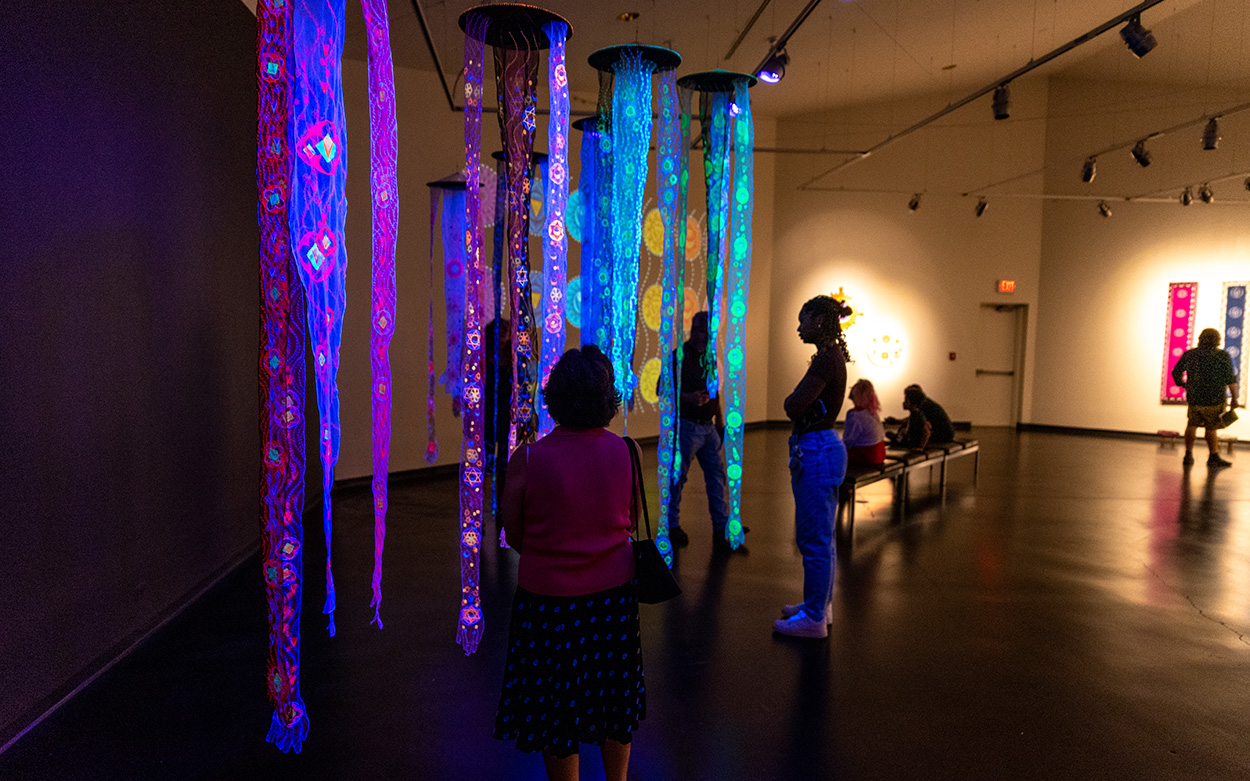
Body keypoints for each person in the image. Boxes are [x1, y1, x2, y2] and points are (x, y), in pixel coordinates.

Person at [494, 345, 645, 781]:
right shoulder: (628, 451)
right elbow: (631, 519)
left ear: (556, 396)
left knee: (557, 707)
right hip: (613, 600)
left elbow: (515, 532)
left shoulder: (528, 458)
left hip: (548, 604)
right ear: (607, 399)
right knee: (613, 698)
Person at [775, 295, 850, 639]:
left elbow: (794, 405)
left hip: (817, 450)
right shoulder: (829, 357)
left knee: (814, 539)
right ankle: (818, 605)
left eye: (803, 320)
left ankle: (815, 617)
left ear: (818, 321)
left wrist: (792, 399)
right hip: (822, 447)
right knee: (823, 537)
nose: (798, 327)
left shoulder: (825, 361)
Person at [658, 311, 732, 549]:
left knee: (716, 478)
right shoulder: (678, 357)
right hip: (687, 428)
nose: (704, 335)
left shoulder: (710, 358)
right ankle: (672, 526)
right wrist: (688, 398)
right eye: (701, 330)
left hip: (708, 429)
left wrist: (719, 426)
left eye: (709, 331)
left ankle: (721, 529)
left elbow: (716, 394)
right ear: (692, 329)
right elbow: (662, 389)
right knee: (677, 479)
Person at [1171, 327, 1240, 468]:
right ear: (1217, 340)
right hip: (1214, 398)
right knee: (1211, 427)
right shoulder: (1222, 356)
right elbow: (1230, 379)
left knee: (1191, 424)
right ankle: (1213, 456)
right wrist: (1234, 398)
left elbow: (1176, 372)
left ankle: (1188, 455)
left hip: (1195, 397)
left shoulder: (1190, 354)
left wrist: (1183, 385)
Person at [887, 384, 954, 451]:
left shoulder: (922, 409)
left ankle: (900, 440)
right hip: (944, 433)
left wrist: (921, 447)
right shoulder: (922, 405)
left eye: (906, 399)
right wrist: (897, 422)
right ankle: (899, 439)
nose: (903, 402)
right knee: (903, 428)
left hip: (943, 435)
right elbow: (911, 420)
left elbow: (926, 429)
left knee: (904, 429)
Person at [843, 378, 886, 466]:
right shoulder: (873, 412)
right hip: (879, 454)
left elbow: (848, 441)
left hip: (866, 456)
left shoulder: (855, 415)